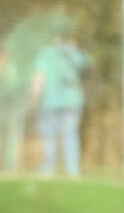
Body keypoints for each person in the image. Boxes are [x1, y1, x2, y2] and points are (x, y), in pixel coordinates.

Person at [29, 27, 91, 177]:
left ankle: (48, 168)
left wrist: (33, 101)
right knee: (71, 134)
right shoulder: (73, 53)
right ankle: (73, 169)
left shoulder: (45, 54)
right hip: (72, 101)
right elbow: (87, 64)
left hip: (50, 102)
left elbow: (38, 79)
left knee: (49, 135)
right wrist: (73, 47)